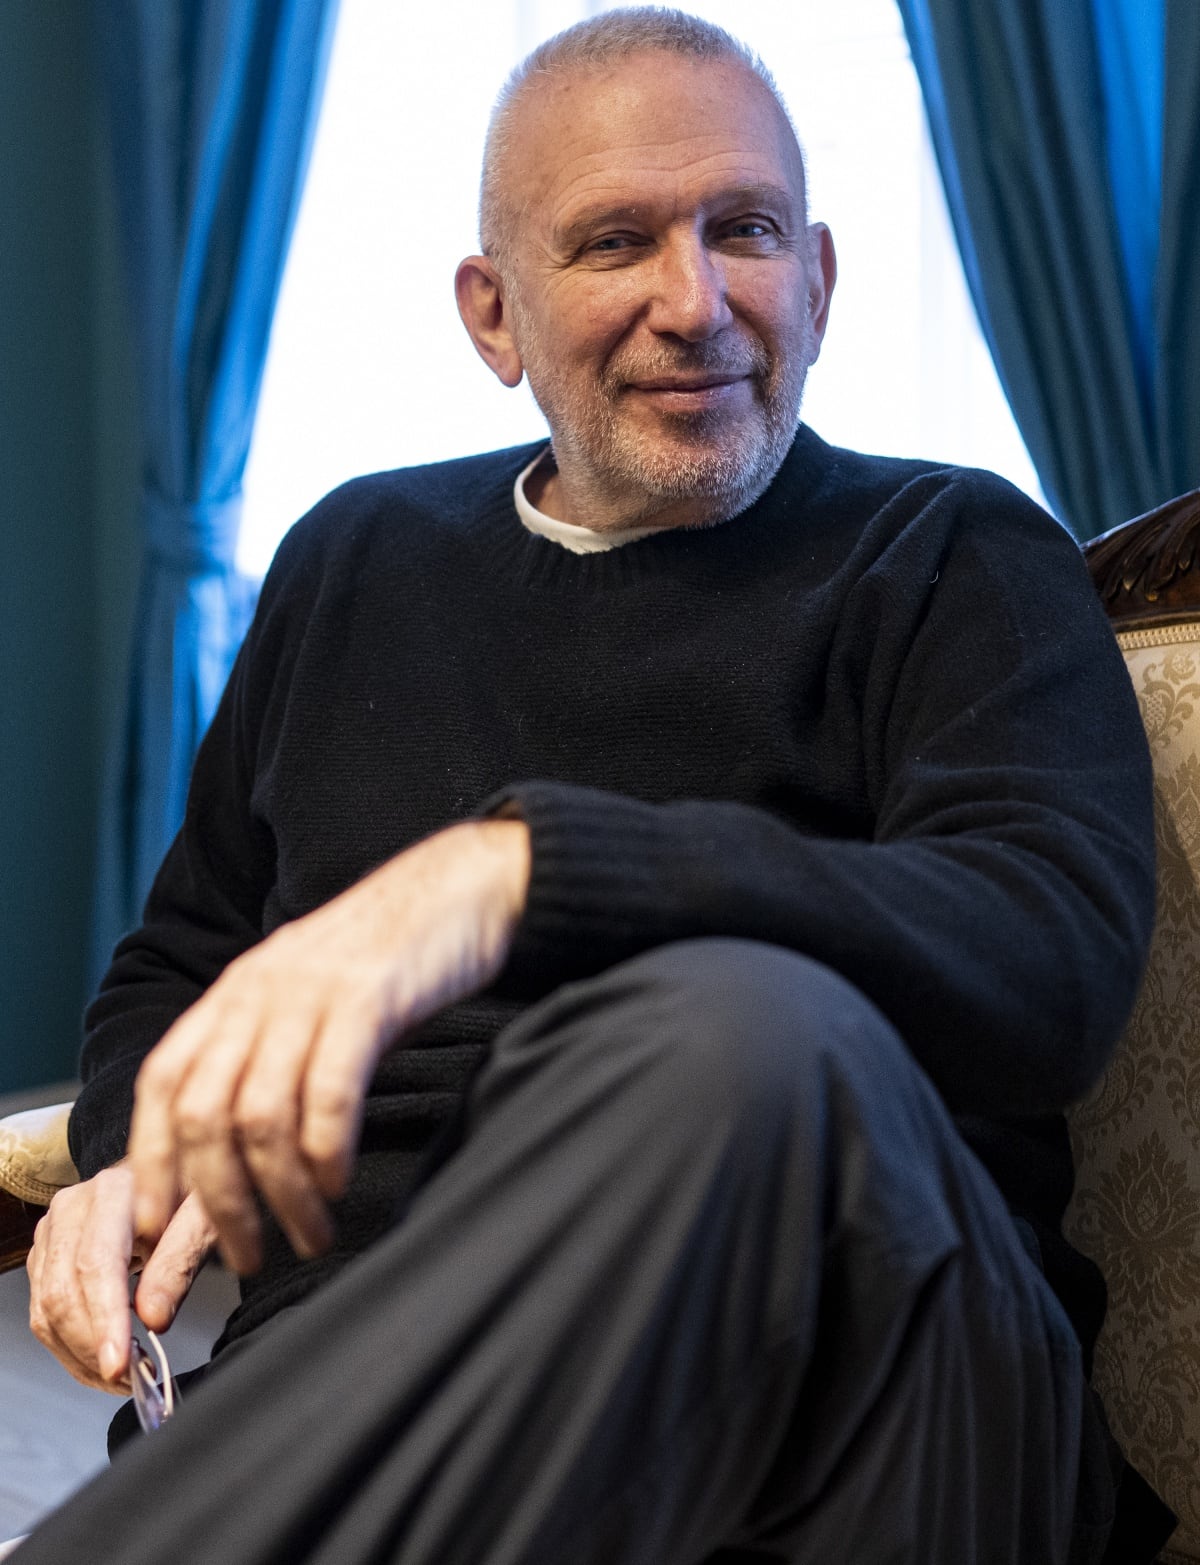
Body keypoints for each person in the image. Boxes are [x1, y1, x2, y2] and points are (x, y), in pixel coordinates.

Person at [17, 9, 1175, 1562]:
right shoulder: (355, 562)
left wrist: (518, 875)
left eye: (745, 231)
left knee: (745, 1031)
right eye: (615, 241)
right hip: (392, 1375)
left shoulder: (958, 554)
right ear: (494, 316)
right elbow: (175, 967)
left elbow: (1050, 955)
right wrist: (127, 1155)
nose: (693, 303)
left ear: (818, 280)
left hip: (877, 1390)